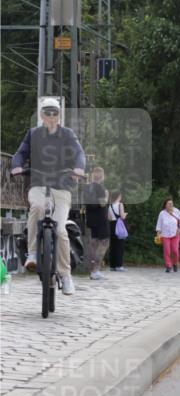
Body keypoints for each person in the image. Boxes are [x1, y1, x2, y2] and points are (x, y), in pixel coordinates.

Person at [10, 96, 85, 296]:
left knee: (60, 229)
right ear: (42, 115)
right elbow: (20, 153)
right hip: (38, 183)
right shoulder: (33, 134)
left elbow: (79, 153)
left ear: (59, 115)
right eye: (47, 113)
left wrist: (78, 168)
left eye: (55, 113)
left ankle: (65, 275)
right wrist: (17, 166)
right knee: (37, 207)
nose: (51, 116)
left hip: (62, 187)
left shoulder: (68, 134)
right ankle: (32, 252)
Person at [83, 167, 109, 280]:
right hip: (101, 219)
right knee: (104, 243)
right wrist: (107, 196)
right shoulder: (100, 188)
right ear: (102, 176)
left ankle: (92, 270)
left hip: (90, 218)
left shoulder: (87, 187)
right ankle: (96, 270)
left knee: (93, 243)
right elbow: (103, 204)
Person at [155, 197, 180, 273]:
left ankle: (175, 263)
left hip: (175, 234)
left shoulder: (176, 211)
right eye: (169, 203)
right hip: (164, 235)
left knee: (175, 250)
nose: (171, 205)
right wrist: (158, 234)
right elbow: (159, 224)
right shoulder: (162, 213)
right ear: (165, 205)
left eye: (172, 203)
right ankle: (168, 266)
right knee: (167, 251)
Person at [107, 190, 128, 271]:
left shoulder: (110, 205)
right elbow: (122, 216)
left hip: (112, 225)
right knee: (119, 246)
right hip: (119, 226)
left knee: (113, 246)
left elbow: (108, 217)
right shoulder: (120, 205)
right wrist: (125, 215)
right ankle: (119, 265)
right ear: (118, 196)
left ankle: (112, 265)